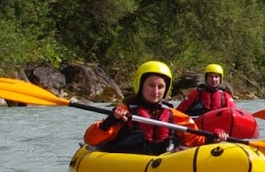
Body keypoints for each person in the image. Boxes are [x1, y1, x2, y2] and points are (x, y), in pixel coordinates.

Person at [84, 61, 222, 155]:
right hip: (129, 163)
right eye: (151, 85)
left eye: (160, 87)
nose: (156, 91)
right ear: (141, 85)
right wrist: (110, 121)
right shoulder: (124, 111)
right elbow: (91, 139)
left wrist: (213, 138)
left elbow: (196, 140)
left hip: (163, 164)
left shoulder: (173, 115)